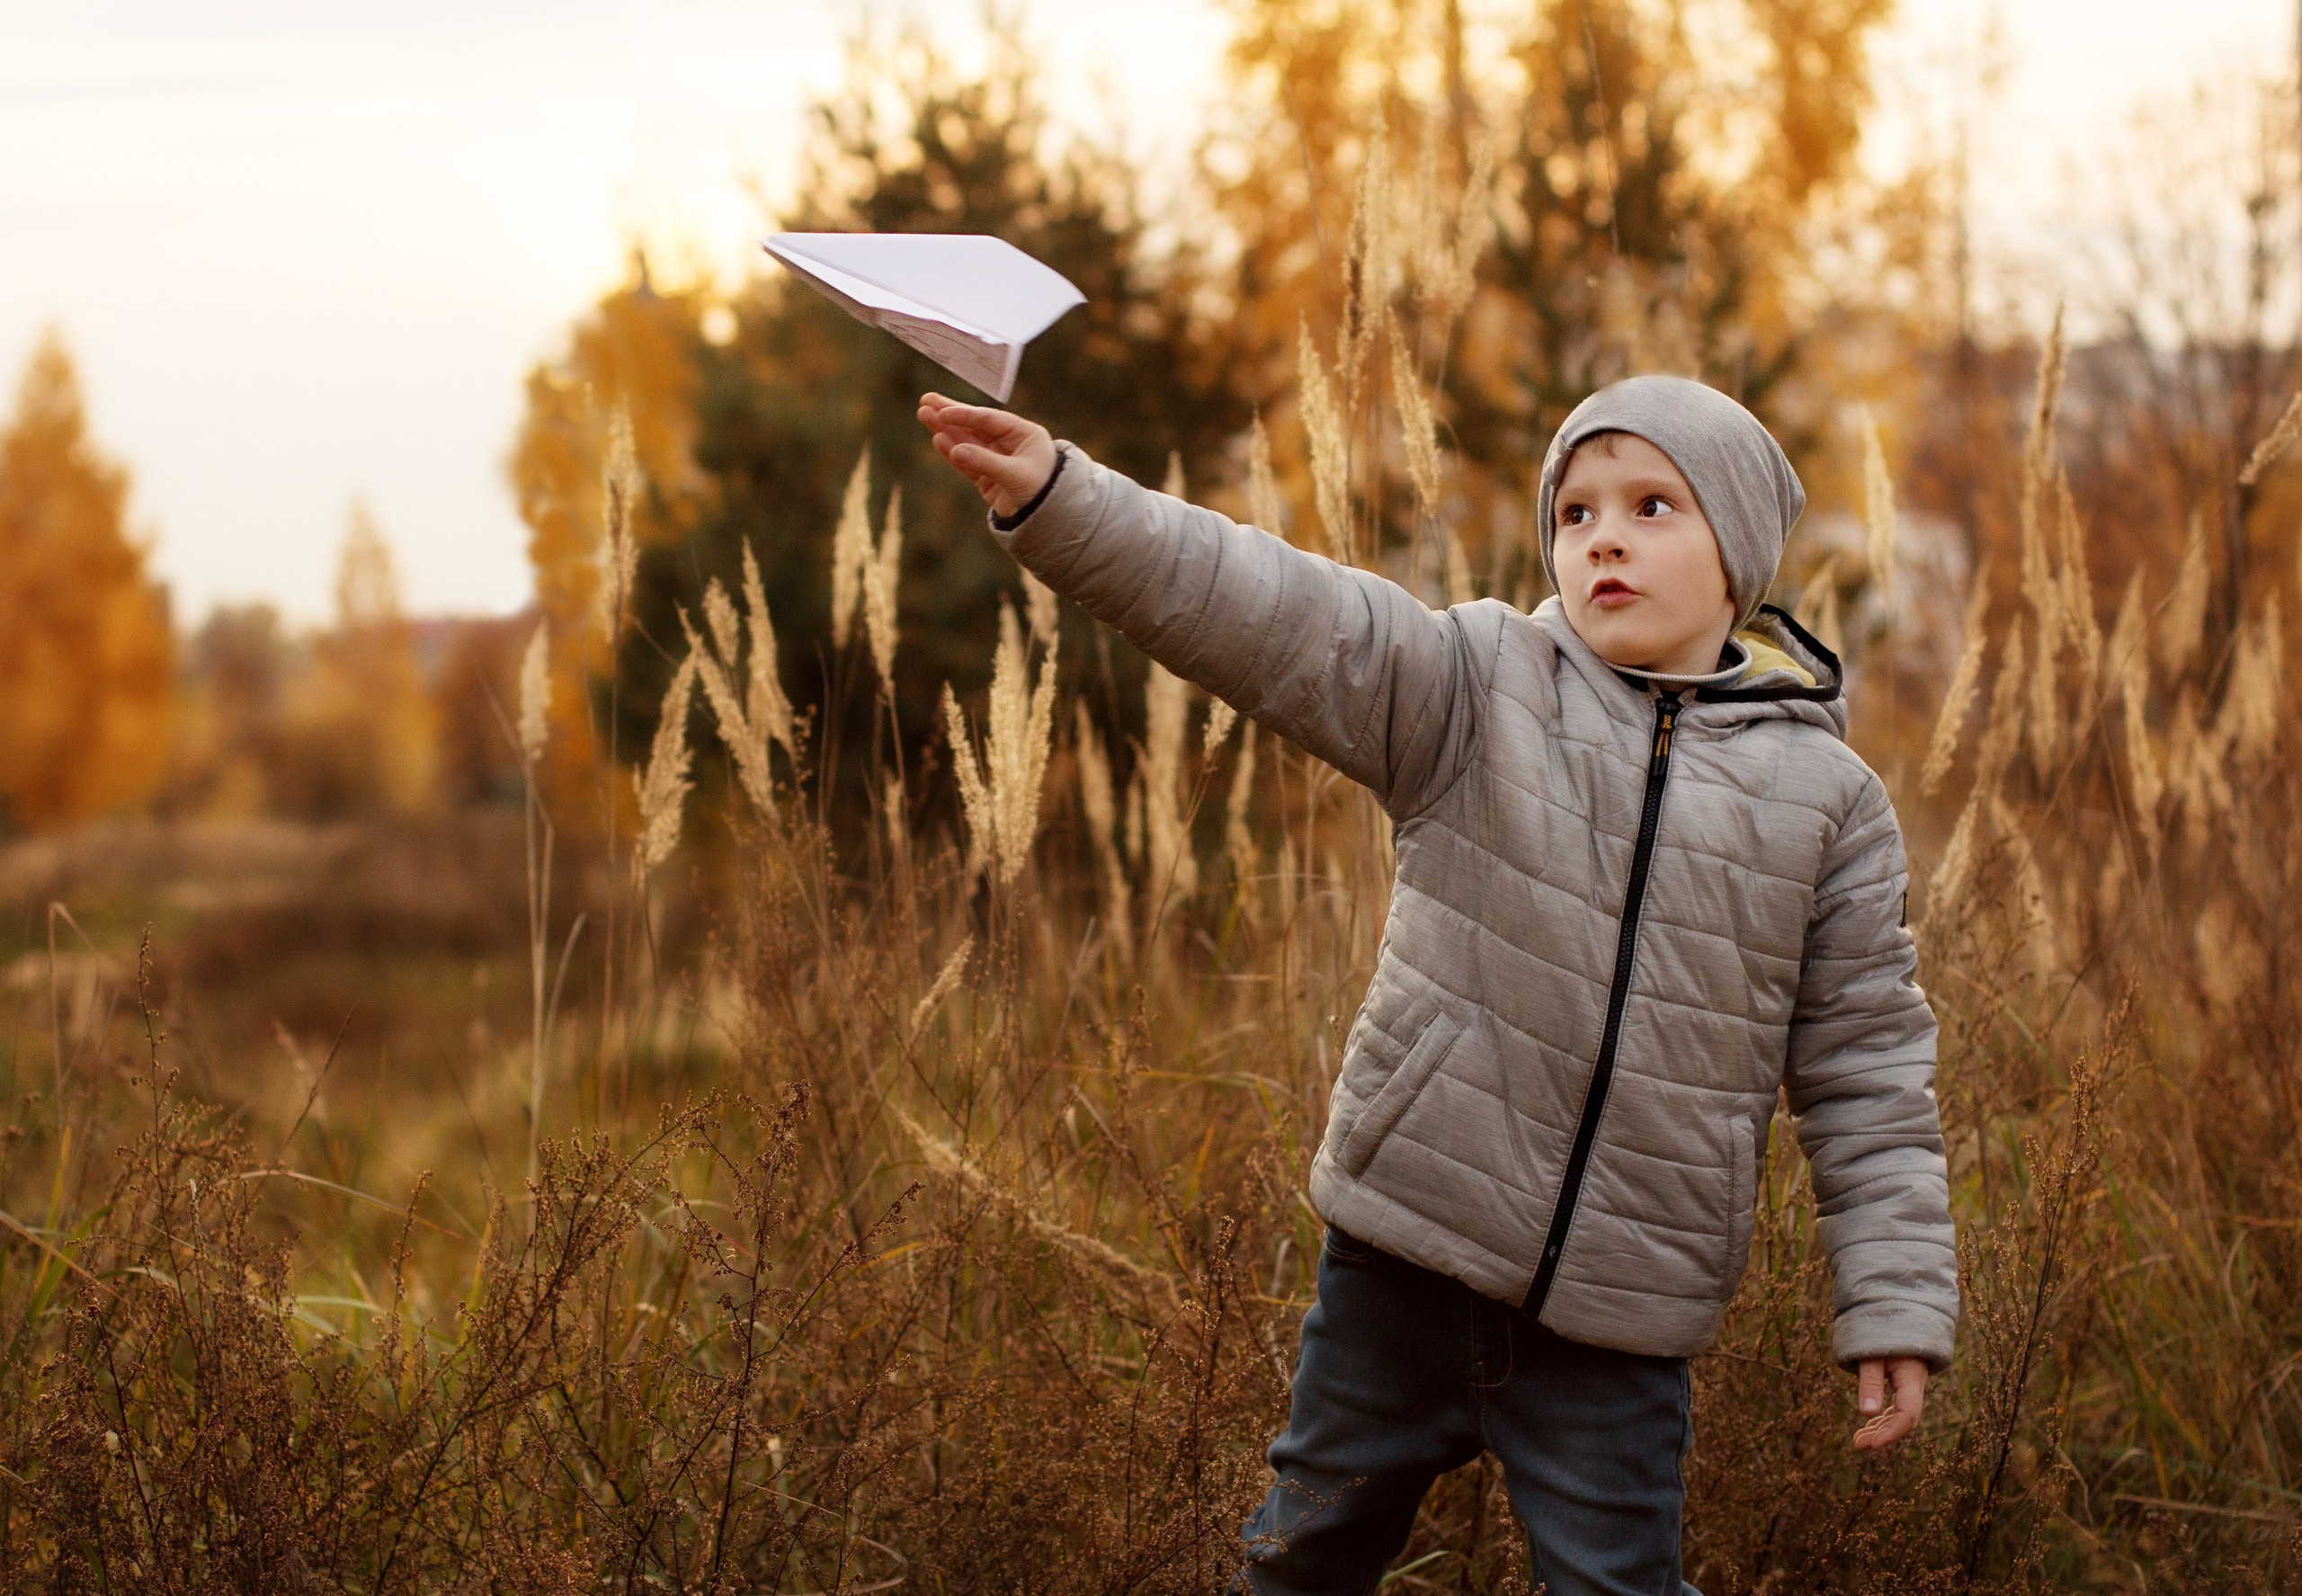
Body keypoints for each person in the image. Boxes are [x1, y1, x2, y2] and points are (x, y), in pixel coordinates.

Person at [916, 376, 1957, 1596]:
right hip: (1401, 1263)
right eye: (1574, 513)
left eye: (1653, 505)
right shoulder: (1476, 685)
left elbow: (1868, 1068)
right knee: (1296, 1554)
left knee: (1621, 1585)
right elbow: (1269, 609)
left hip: (1624, 1314)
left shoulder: (1826, 804)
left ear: (1742, 552)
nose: (1603, 535)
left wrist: (1892, 1301)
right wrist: (1059, 495)